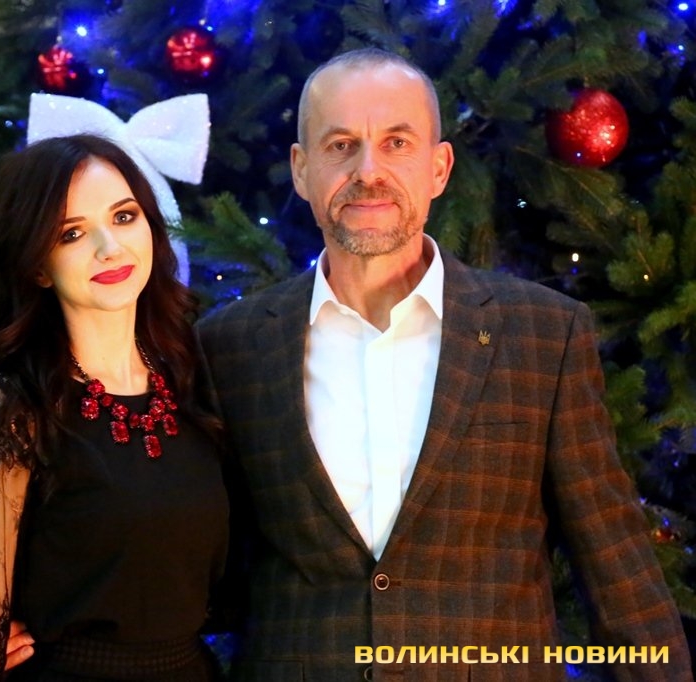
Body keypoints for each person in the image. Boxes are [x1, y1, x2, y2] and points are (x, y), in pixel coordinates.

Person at [196, 48, 693, 681]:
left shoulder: (542, 334)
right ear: (301, 169)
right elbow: (195, 556)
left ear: (438, 168)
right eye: (341, 146)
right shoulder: (231, 345)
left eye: (396, 143)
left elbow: (616, 561)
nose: (367, 171)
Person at [0, 134, 229, 682]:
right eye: (71, 233)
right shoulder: (16, 404)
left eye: (124, 217)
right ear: (38, 265)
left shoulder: (194, 376)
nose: (109, 246)